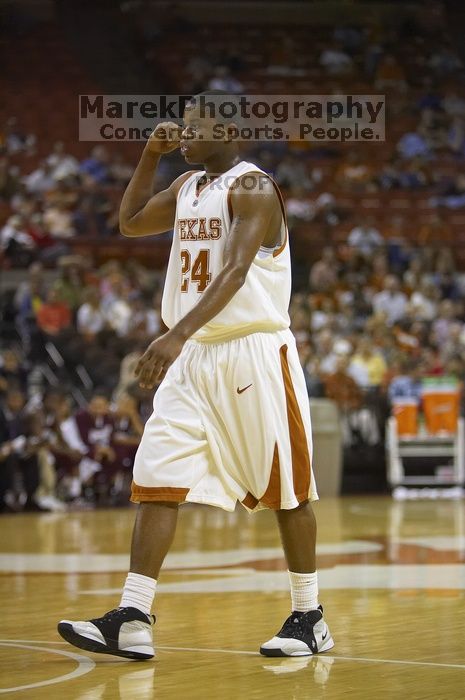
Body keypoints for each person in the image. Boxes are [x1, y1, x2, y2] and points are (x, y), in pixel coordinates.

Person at [58, 92, 333, 660]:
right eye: (182, 126)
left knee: (286, 489)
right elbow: (130, 223)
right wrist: (149, 157)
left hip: (252, 351)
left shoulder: (253, 187)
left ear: (228, 129)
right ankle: (133, 615)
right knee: (156, 474)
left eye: (195, 125)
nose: (183, 133)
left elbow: (234, 270)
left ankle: (309, 617)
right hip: (195, 355)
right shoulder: (187, 188)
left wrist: (176, 333)